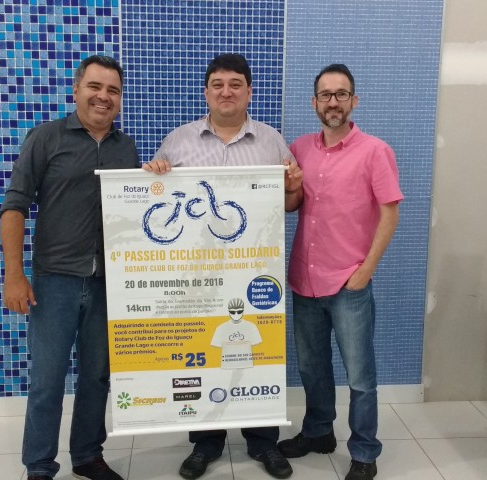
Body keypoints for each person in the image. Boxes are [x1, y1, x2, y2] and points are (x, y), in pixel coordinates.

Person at [143, 53, 303, 480]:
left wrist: (293, 188)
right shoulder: (178, 141)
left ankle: (263, 442)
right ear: (206, 92)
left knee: (257, 353)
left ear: (249, 91)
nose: (226, 91)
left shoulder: (272, 141)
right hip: (196, 273)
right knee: (203, 352)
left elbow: (290, 202)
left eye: (235, 84)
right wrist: (154, 172)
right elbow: (153, 194)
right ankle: (206, 443)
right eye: (218, 84)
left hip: (254, 272)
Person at [0, 55, 140, 480]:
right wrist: (14, 274)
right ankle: (39, 465)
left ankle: (87, 456)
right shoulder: (46, 138)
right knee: (47, 380)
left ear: (120, 99)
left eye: (113, 90)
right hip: (54, 281)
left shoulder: (126, 147)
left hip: (107, 284)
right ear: (76, 90)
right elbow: (14, 205)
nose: (103, 97)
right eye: (95, 87)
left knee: (97, 376)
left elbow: (137, 208)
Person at [278, 64, 402, 480]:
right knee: (312, 369)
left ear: (354, 101)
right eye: (326, 95)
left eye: (341, 94)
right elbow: (291, 205)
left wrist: (366, 269)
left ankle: (364, 452)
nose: (333, 102)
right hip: (305, 280)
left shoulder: (375, 151)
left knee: (360, 376)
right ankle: (318, 433)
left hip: (349, 283)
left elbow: (390, 214)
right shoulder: (299, 149)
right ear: (314, 102)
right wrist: (291, 186)